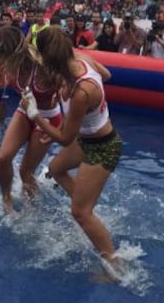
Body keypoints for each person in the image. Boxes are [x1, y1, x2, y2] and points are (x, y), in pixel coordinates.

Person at [21, 26, 123, 265]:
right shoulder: (83, 59)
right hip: (86, 138)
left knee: (79, 213)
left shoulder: (81, 93)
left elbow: (65, 138)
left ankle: (116, 264)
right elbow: (106, 75)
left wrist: (36, 116)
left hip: (103, 146)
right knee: (56, 169)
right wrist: (62, 96)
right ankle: (87, 207)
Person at [0, 25, 62, 212]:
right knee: (3, 157)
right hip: (25, 112)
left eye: (1, 55)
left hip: (46, 118)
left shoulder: (44, 67)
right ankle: (6, 198)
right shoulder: (10, 64)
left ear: (12, 53)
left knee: (25, 172)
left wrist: (61, 127)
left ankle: (32, 212)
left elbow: (72, 91)